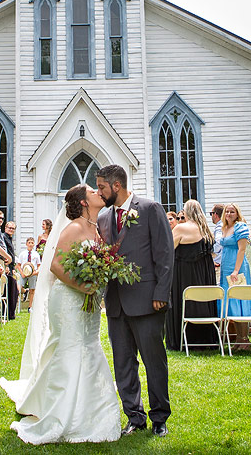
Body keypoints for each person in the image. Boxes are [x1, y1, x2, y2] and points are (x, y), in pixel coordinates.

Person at [0, 184, 121, 444]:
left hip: (87, 301)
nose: (99, 193)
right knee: (69, 350)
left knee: (87, 347)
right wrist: (84, 286)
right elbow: (54, 265)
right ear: (84, 202)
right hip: (68, 300)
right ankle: (60, 413)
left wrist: (96, 283)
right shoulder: (74, 227)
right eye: (92, 191)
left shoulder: (95, 228)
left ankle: (89, 410)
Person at [96, 163, 173, 437]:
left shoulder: (150, 208)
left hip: (148, 301)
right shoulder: (104, 218)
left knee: (154, 362)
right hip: (116, 303)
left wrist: (161, 293)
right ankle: (134, 416)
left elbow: (164, 253)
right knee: (123, 363)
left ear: (116, 185)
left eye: (102, 187)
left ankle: (160, 418)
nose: (99, 192)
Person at [167, 199, 217, 352]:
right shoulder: (206, 230)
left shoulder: (181, 228)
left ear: (187, 211)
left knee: (184, 303)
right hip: (204, 275)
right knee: (202, 301)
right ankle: (205, 339)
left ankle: (182, 339)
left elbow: (168, 249)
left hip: (184, 274)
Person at [218, 203, 251, 350]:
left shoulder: (240, 227)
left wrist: (236, 270)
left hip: (237, 266)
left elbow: (242, 249)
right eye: (227, 211)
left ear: (237, 213)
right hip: (226, 265)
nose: (229, 214)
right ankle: (238, 339)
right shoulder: (224, 228)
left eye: (232, 212)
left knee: (240, 301)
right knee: (231, 302)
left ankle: (245, 339)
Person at [4, 219, 20, 320]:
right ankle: (8, 314)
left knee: (13, 291)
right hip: (6, 268)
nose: (11, 230)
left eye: (13, 229)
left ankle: (10, 313)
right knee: (10, 291)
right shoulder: (4, 237)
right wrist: (6, 266)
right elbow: (4, 252)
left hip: (11, 268)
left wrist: (13, 267)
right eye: (9, 228)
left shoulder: (9, 238)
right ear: (5, 228)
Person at [21, 236, 42, 311]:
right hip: (24, 272)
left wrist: (36, 272)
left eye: (32, 243)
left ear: (34, 245)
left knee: (32, 289)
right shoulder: (23, 253)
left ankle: (30, 307)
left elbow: (39, 265)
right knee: (19, 286)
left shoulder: (36, 254)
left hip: (32, 273)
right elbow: (18, 265)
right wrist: (21, 273)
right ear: (26, 244)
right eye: (29, 243)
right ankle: (24, 291)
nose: (30, 244)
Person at [209, 204, 225, 279]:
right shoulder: (224, 225)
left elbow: (218, 242)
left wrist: (212, 253)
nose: (211, 216)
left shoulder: (219, 227)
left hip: (219, 263)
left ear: (215, 214)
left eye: (211, 214)